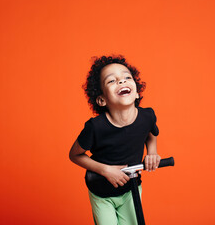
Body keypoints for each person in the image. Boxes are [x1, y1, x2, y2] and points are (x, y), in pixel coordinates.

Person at [69, 55, 161, 225]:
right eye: (111, 81)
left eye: (127, 77)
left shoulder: (147, 116)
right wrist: (105, 170)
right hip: (101, 192)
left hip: (130, 189)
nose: (121, 81)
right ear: (101, 100)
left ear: (137, 92)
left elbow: (151, 133)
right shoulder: (96, 127)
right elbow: (74, 155)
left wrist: (152, 153)